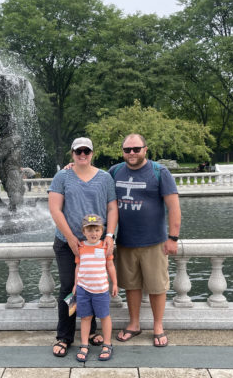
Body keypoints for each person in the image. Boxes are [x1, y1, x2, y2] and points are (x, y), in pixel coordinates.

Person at [48, 137, 118, 358]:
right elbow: (55, 209)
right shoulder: (62, 176)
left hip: (96, 243)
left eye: (86, 151)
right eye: (78, 151)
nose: (82, 155)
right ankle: (65, 336)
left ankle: (92, 331)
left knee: (94, 284)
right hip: (67, 242)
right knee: (70, 288)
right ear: (72, 153)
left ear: (92, 153)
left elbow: (112, 208)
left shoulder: (105, 178)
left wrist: (109, 235)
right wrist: (70, 238)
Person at [110, 133, 181, 347]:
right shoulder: (114, 172)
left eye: (136, 149)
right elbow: (92, 179)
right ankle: (134, 324)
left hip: (154, 242)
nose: (131, 153)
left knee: (157, 286)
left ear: (145, 149)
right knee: (131, 285)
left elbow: (173, 207)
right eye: (127, 150)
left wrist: (173, 238)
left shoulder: (159, 172)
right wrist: (71, 167)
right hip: (126, 241)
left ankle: (158, 326)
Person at [73, 214, 118, 362]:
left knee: (104, 316)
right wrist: (75, 284)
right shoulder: (80, 247)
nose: (94, 233)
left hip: (101, 290)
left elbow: (110, 266)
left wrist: (115, 283)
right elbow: (78, 267)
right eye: (90, 230)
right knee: (85, 317)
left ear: (102, 231)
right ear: (84, 232)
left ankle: (107, 344)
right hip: (83, 289)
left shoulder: (105, 246)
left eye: (97, 230)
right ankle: (84, 344)